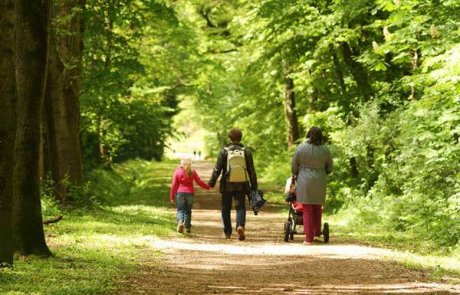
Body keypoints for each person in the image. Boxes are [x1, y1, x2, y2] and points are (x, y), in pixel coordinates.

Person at [208, 128, 258, 241]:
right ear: (241, 138)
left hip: (227, 184)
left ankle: (227, 232)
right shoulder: (246, 151)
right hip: (242, 184)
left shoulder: (224, 151)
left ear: (229, 138)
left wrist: (211, 182)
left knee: (225, 207)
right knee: (240, 207)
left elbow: (217, 169)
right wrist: (254, 187)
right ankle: (240, 226)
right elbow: (251, 171)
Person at [291, 126, 333, 245]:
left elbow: (294, 165)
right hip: (320, 180)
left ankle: (308, 238)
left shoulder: (301, 148)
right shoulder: (325, 149)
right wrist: (323, 172)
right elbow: (330, 166)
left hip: (305, 180)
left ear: (308, 134)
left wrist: (296, 173)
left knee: (307, 209)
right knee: (317, 207)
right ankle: (316, 234)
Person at [170, 157, 211, 234]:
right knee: (188, 211)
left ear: (181, 164)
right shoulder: (192, 171)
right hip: (190, 193)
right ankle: (188, 228)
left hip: (180, 193)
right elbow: (199, 182)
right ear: (190, 164)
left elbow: (174, 185)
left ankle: (180, 222)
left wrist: (172, 196)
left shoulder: (178, 172)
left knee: (180, 209)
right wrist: (207, 187)